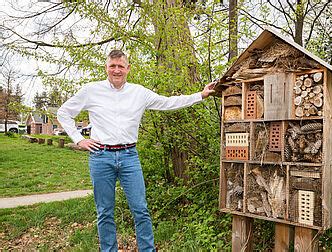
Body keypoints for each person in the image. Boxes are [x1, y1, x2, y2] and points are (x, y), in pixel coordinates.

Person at [57, 49, 215, 251]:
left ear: (128, 68)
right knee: (104, 211)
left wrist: (200, 95)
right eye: (112, 66)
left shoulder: (139, 92)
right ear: (106, 67)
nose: (116, 70)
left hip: (129, 157)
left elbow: (168, 102)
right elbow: (63, 113)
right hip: (100, 156)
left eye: (120, 66)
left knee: (140, 209)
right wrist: (79, 140)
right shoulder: (91, 90)